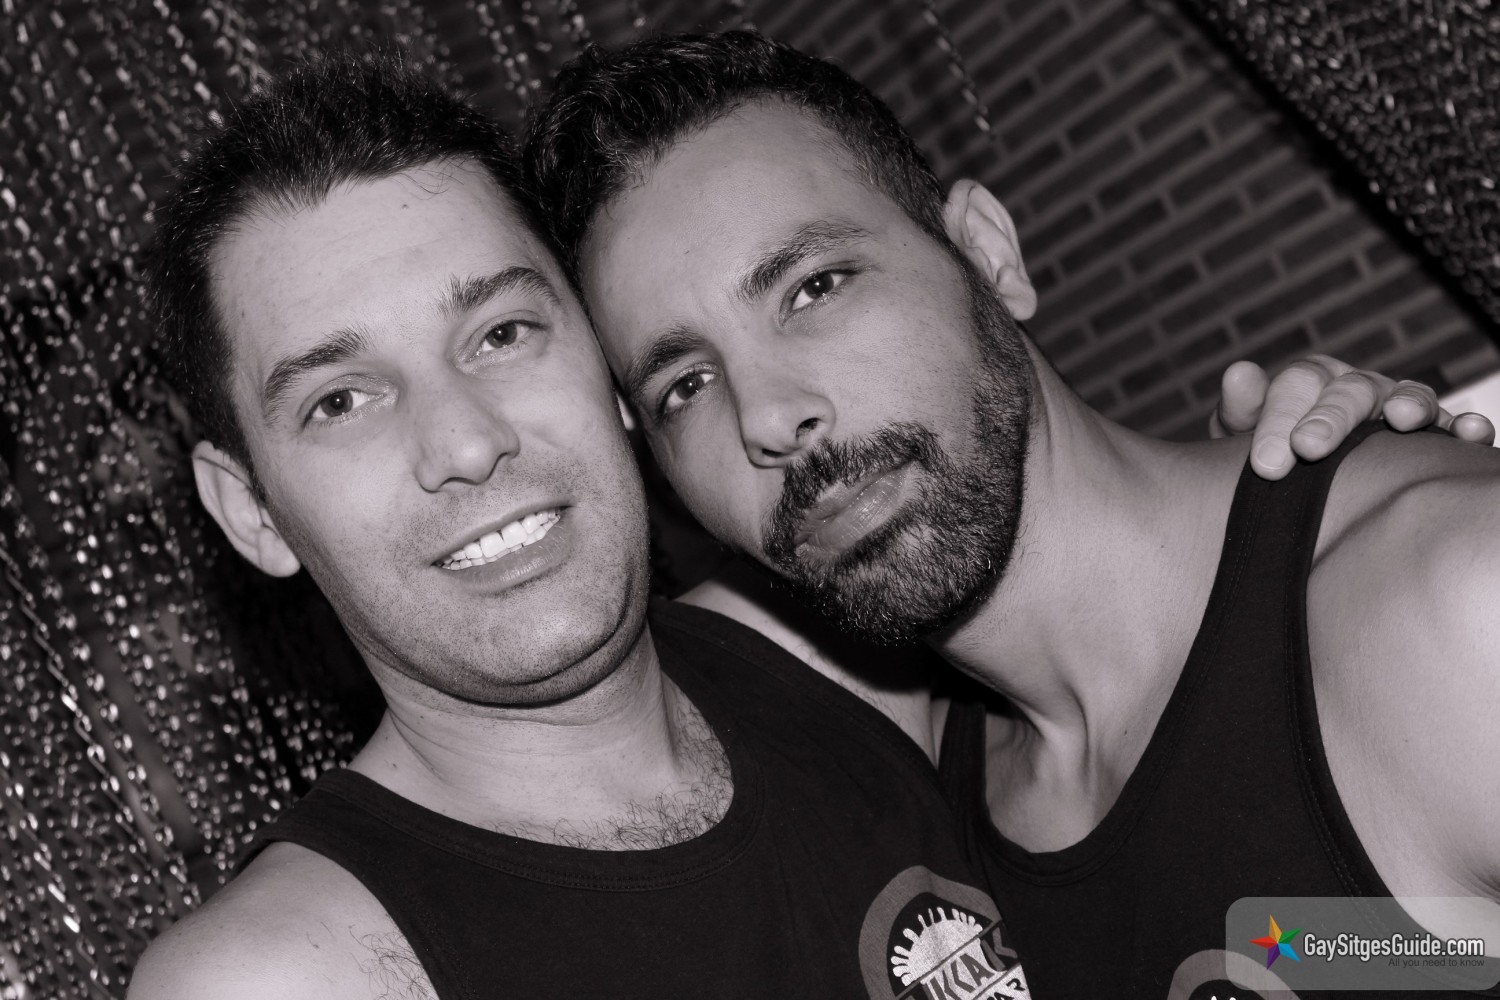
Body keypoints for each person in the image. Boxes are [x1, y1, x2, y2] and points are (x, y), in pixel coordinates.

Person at [127, 47, 1474, 1000]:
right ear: (250, 510)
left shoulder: (862, 680)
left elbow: (1342, 933)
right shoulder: (294, 973)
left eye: (502, 332)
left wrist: (1361, 507)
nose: (467, 439)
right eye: (341, 400)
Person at [521, 30, 1500, 998]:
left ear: (986, 254)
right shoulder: (908, 813)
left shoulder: (1444, 615)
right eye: (685, 386)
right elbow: (1383, 955)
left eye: (814, 287)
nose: (769, 418)